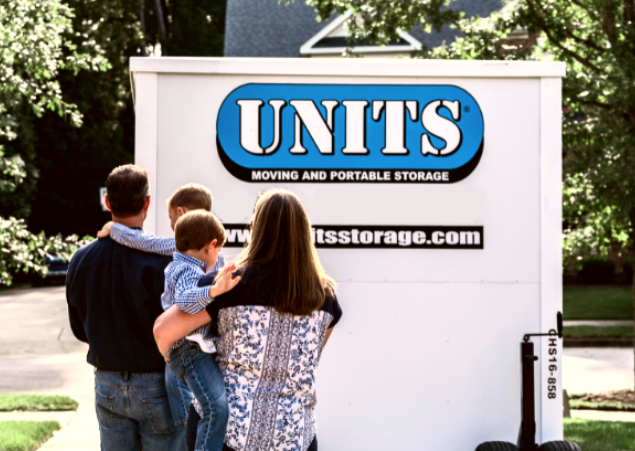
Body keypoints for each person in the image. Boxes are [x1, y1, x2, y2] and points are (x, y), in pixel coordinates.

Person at [153, 188, 343, 451]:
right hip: (294, 436)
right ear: (304, 233)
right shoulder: (326, 297)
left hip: (227, 436)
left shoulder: (229, 283)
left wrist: (173, 359)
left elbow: (163, 331)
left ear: (257, 229)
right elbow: (311, 358)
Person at [66, 164, 183, 450]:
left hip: (106, 382)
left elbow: (79, 329)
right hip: (156, 383)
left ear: (107, 202)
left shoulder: (80, 260)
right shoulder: (164, 261)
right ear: (147, 203)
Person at [97, 183, 224, 430]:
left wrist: (114, 228)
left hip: (182, 340)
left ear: (181, 213)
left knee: (175, 378)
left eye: (170, 217)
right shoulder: (214, 252)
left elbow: (147, 243)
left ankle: (183, 425)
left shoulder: (181, 247)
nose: (170, 225)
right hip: (206, 342)